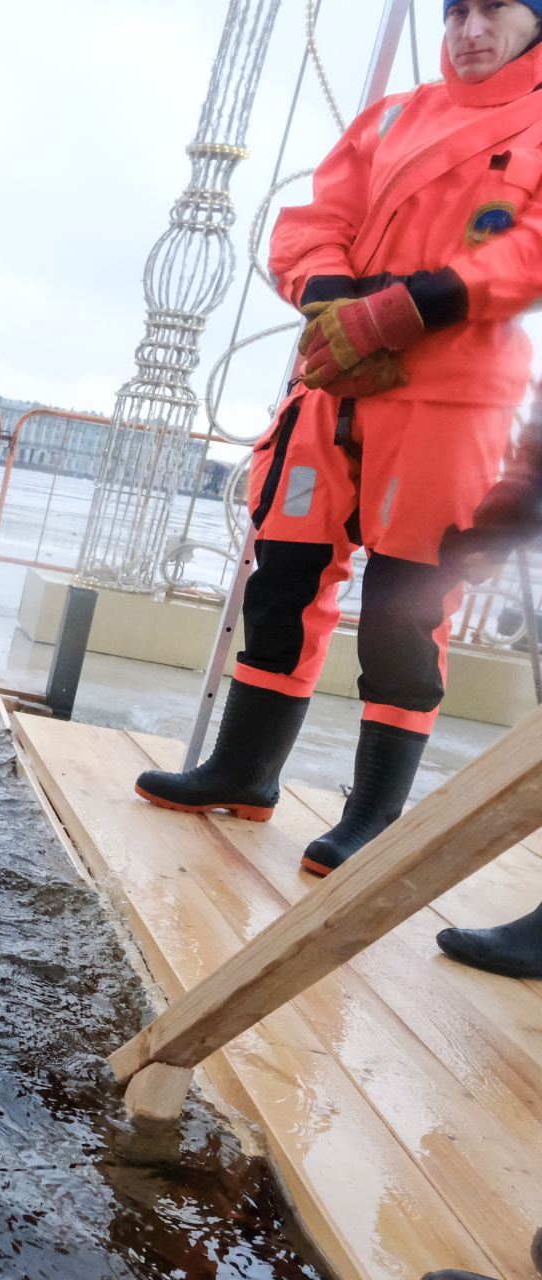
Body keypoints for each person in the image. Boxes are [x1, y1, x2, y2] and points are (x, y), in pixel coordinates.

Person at [137, 0, 542, 877]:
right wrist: (331, 299)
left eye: (496, 9)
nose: (472, 28)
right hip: (334, 376)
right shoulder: (392, 116)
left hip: (452, 396)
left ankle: (372, 818)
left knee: (407, 605)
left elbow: (526, 252)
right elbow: (315, 217)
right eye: (459, 9)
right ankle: (245, 771)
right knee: (282, 576)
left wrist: (409, 307)